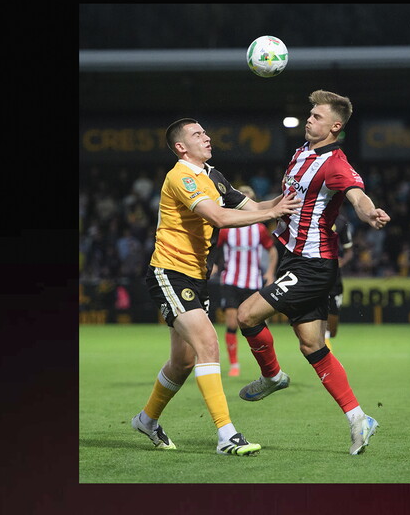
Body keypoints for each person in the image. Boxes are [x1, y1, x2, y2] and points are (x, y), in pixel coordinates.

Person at [130, 118, 301, 456]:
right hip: (170, 271)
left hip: (196, 276)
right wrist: (273, 212)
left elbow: (256, 208)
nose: (206, 137)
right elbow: (219, 218)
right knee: (209, 345)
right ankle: (227, 436)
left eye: (205, 132)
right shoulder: (180, 176)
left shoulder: (213, 176)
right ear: (181, 147)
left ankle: (146, 420)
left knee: (182, 361)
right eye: (197, 134)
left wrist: (292, 199)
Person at [235, 90, 391, 456]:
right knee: (312, 345)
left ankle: (272, 376)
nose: (309, 119)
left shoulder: (335, 164)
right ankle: (359, 419)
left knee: (246, 314)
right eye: (310, 114)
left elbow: (355, 194)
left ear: (335, 126)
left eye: (317, 117)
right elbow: (289, 198)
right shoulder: (302, 152)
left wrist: (369, 212)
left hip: (312, 264)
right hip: (294, 256)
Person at [210, 185, 278, 377]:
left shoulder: (259, 229)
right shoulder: (226, 228)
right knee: (232, 322)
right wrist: (213, 264)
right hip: (231, 280)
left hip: (253, 281)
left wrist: (270, 273)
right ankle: (234, 364)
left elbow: (272, 251)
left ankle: (267, 365)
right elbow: (213, 247)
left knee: (258, 324)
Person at [323, 212, 353, 351]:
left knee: (333, 330)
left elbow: (349, 251)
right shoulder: (311, 215)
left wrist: (342, 262)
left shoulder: (341, 221)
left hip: (335, 277)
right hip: (316, 273)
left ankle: (325, 337)